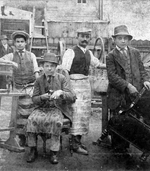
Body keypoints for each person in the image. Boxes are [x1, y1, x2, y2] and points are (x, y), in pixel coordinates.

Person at [106, 25, 150, 156]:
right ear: (114, 40)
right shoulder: (111, 56)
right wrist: (127, 85)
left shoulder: (135, 53)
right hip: (119, 93)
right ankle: (118, 149)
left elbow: (142, 70)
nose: (122, 41)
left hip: (134, 94)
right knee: (119, 119)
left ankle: (129, 145)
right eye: (119, 38)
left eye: (125, 38)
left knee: (132, 119)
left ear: (128, 40)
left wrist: (146, 80)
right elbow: (112, 77)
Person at [62, 27, 106, 155]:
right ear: (77, 37)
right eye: (82, 36)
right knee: (76, 113)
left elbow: (98, 65)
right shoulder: (70, 52)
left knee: (84, 114)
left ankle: (77, 141)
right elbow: (65, 71)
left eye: (87, 37)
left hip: (85, 86)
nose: (85, 39)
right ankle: (74, 144)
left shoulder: (89, 53)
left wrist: (111, 65)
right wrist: (69, 89)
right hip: (74, 85)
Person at [26, 53, 76, 164]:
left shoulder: (62, 79)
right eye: (47, 66)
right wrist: (42, 97)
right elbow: (34, 99)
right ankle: (33, 149)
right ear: (42, 67)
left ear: (56, 67)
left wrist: (61, 93)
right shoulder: (39, 80)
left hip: (57, 108)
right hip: (42, 108)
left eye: (52, 66)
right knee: (31, 119)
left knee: (56, 121)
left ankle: (54, 152)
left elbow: (72, 97)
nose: (49, 68)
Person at [0, 31, 40, 146]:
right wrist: (11, 62)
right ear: (14, 43)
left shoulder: (31, 55)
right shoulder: (11, 55)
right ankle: (21, 137)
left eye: (22, 42)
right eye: (17, 42)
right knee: (19, 114)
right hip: (18, 88)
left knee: (30, 112)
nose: (20, 44)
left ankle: (31, 136)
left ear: (26, 43)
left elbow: (36, 71)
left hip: (30, 88)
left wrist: (38, 85)